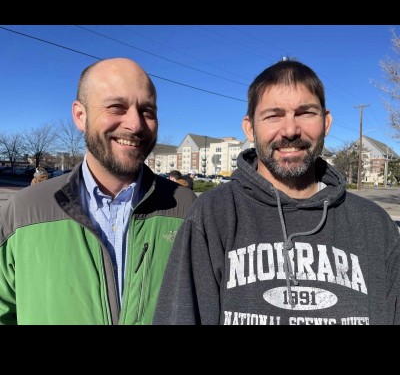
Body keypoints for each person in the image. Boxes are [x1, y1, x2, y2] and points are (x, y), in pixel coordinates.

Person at [154, 59, 400, 325]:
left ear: (326, 122)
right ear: (250, 127)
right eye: (273, 115)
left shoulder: (375, 226)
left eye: (306, 113)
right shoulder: (213, 215)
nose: (291, 130)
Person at [0, 57, 197, 325]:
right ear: (81, 116)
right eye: (117, 107)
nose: (135, 124)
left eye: (147, 111)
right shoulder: (22, 213)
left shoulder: (188, 209)